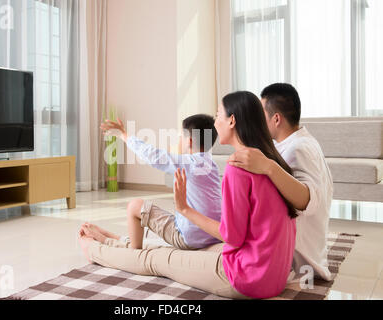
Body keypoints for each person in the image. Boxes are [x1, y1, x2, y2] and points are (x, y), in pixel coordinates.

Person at [78, 91, 296, 299]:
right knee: (162, 246)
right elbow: (242, 231)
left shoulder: (236, 167)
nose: (215, 121)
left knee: (154, 258)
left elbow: (154, 156)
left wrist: (125, 136)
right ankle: (116, 241)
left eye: (218, 114)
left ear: (232, 121)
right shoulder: (269, 163)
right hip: (273, 277)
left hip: (246, 278)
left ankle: (95, 250)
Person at [227, 83, 333, 281]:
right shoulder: (300, 142)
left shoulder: (298, 148)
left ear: (276, 118)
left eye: (261, 115)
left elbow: (307, 200)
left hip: (297, 260)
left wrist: (268, 167)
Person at [99, 114, 222, 250]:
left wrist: (124, 135)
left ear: (190, 141)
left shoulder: (188, 163)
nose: (179, 139)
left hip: (189, 239)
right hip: (213, 233)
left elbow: (152, 155)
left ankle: (134, 254)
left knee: (135, 206)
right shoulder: (212, 165)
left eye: (181, 136)